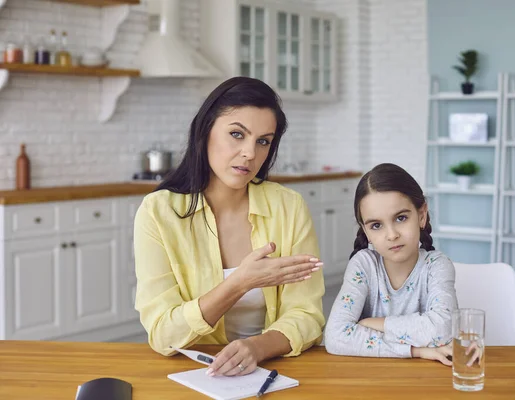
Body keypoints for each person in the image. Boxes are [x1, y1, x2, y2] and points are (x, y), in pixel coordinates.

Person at [134, 77, 325, 377]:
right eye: (237, 134)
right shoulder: (159, 212)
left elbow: (308, 315)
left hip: (273, 369)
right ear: (205, 130)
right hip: (193, 374)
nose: (250, 153)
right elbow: (163, 334)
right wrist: (240, 282)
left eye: (263, 141)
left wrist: (257, 348)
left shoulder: (289, 207)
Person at [324, 163, 458, 365]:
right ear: (366, 230)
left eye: (401, 218)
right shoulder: (363, 265)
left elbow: (443, 330)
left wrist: (373, 324)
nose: (392, 235)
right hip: (371, 380)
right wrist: (415, 350)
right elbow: (335, 337)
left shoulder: (437, 266)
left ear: (421, 216)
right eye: (376, 225)